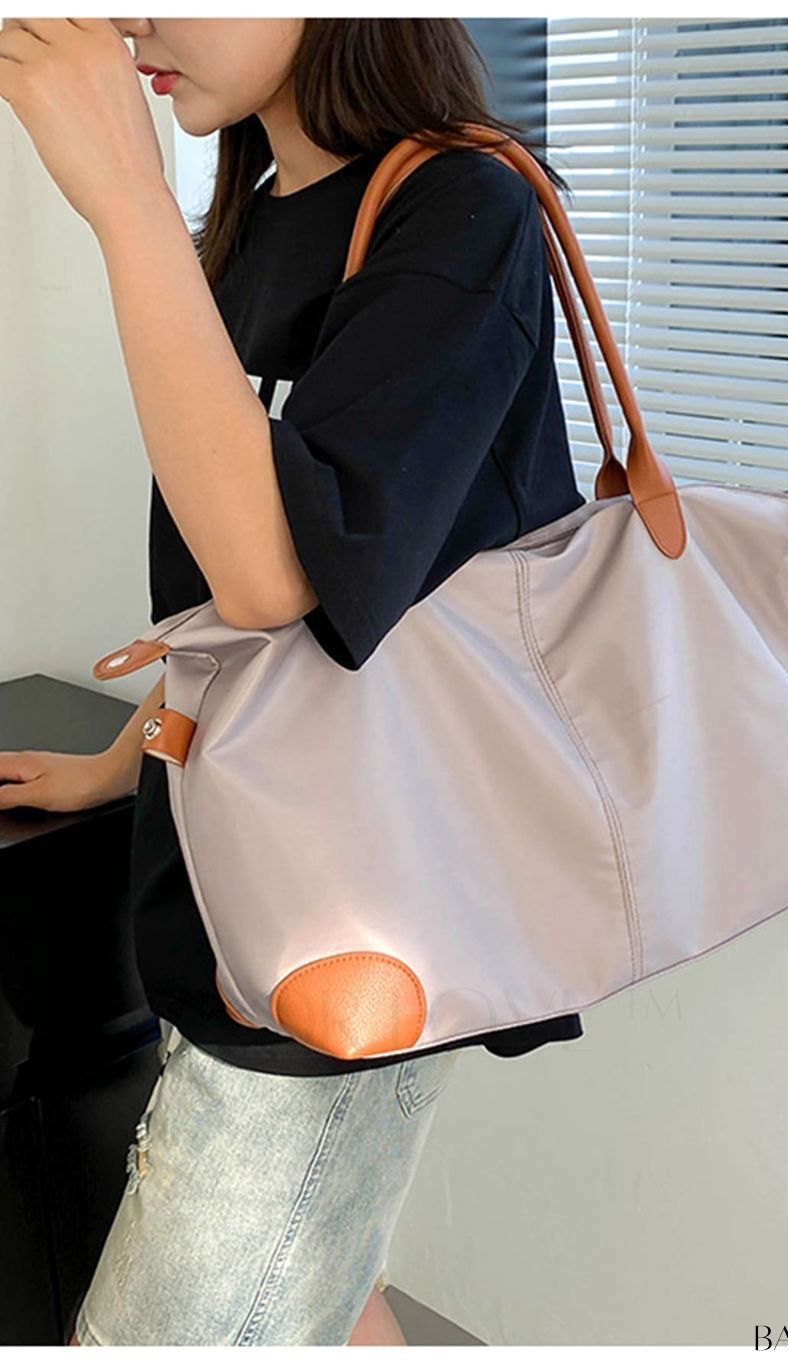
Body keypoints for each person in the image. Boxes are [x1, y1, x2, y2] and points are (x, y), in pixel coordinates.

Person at [0, 17, 586, 1346]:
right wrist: (122, 761)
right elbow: (220, 595)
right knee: (323, 1290)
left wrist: (127, 200)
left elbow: (278, 580)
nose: (137, 21)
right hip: (230, 892)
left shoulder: (462, 206)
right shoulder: (261, 214)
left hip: (355, 921)